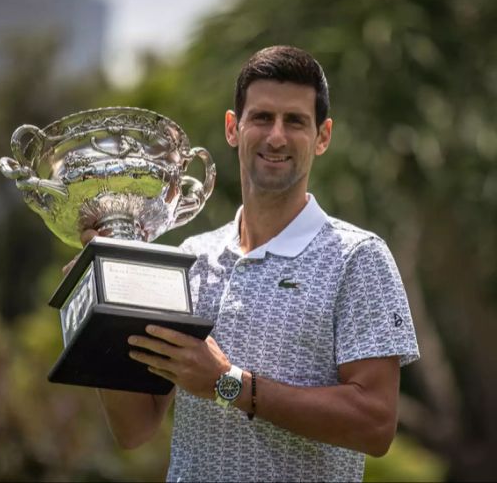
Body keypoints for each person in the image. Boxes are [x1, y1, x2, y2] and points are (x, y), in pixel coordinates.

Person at [75, 45, 419, 482]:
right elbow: (134, 428)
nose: (276, 136)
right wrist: (104, 287)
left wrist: (228, 383)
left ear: (323, 136)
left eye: (295, 121)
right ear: (233, 128)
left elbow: (375, 424)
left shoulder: (358, 258)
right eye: (261, 118)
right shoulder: (191, 259)